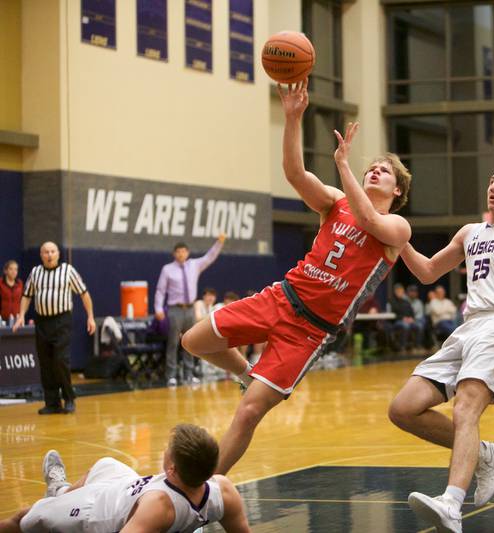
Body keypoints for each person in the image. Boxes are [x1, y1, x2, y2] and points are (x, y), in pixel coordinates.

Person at [180, 79, 412, 475]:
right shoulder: (335, 203)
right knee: (193, 340)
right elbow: (294, 173)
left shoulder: (397, 228)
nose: (375, 171)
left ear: (398, 189)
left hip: (309, 331)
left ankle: (205, 488)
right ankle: (244, 373)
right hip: (281, 297)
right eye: (371, 167)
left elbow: (370, 219)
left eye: (384, 171)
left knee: (250, 410)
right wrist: (292, 119)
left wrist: (343, 164)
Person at [388, 164, 494, 533]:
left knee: (466, 406)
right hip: (468, 327)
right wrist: (398, 239)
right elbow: (429, 272)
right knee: (403, 409)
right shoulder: (469, 232)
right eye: (493, 180)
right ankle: (485, 455)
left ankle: (452, 502)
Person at [0, 423, 250, 533]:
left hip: (98, 509)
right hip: (127, 486)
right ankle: (61, 491)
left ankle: (58, 501)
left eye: (167, 449)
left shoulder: (158, 507)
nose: (164, 450)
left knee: (27, 518)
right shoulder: (224, 490)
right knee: (106, 465)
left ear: (172, 469)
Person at [13, 242, 95, 415]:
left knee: (60, 360)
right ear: (41, 255)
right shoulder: (35, 272)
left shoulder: (68, 271)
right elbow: (27, 295)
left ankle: (69, 397)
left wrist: (90, 317)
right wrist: (21, 315)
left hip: (61, 320)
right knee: (46, 362)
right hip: (42, 321)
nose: (49, 255)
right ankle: (52, 402)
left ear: (58, 254)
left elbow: (84, 293)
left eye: (52, 251)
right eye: (45, 252)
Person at [155, 235, 226, 387]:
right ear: (174, 254)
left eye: (183, 251)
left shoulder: (194, 265)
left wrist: (219, 243)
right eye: (178, 252)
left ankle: (189, 374)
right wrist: (158, 308)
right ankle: (171, 375)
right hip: (175, 309)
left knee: (191, 342)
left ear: (188, 253)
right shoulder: (167, 269)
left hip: (190, 309)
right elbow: (160, 290)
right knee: (173, 342)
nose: (181, 254)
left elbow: (209, 257)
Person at [387, 282, 420, 352]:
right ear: (395, 291)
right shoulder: (391, 301)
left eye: (401, 291)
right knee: (405, 326)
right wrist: (403, 318)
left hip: (408, 320)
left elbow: (412, 312)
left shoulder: (406, 302)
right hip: (396, 321)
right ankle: (403, 346)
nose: (400, 292)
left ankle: (416, 346)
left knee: (418, 326)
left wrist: (411, 318)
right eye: (398, 291)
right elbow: (392, 314)